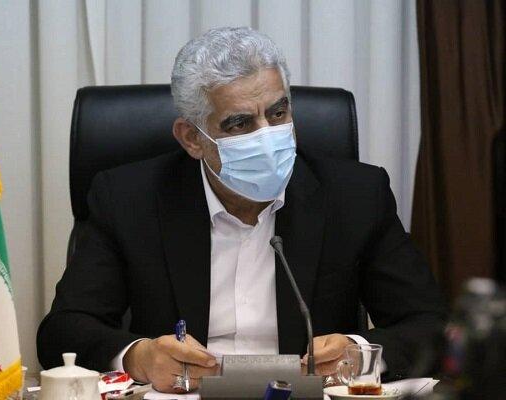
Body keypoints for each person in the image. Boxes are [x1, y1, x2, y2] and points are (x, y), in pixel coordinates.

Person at [37, 27, 446, 393]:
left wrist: (359, 354)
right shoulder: (128, 199)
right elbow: (62, 332)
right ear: (191, 138)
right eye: (239, 124)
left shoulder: (355, 196)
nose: (267, 136)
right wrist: (139, 358)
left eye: (278, 113)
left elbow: (432, 325)